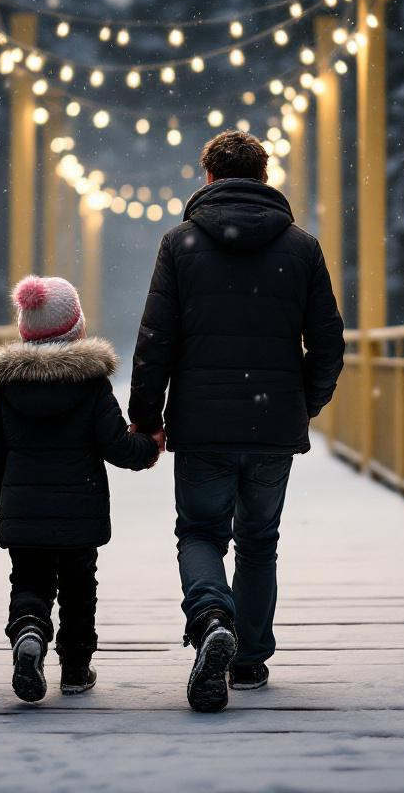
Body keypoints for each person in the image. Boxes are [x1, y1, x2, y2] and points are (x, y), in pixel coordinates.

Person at [129, 129, 345, 713]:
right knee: (258, 541)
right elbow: (328, 342)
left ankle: (210, 617)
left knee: (201, 533)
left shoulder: (179, 244)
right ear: (264, 176)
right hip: (274, 422)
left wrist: (146, 419)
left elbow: (155, 341)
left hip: (201, 423)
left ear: (208, 176)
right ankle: (248, 659)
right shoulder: (302, 247)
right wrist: (305, 402)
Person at [0, 275, 161, 704]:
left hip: (24, 509)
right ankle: (76, 668)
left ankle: (29, 629)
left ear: (25, 329)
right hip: (80, 511)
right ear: (77, 328)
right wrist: (149, 447)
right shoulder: (91, 384)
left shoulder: (6, 385)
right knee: (80, 588)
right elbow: (116, 446)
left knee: (29, 579)